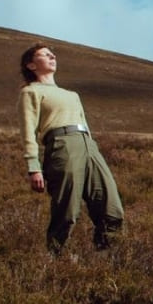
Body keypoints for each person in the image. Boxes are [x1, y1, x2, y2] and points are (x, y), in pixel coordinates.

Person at [17, 43, 125, 254]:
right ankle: (56, 261)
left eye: (52, 54)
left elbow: (85, 125)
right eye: (44, 55)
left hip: (88, 146)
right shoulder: (30, 92)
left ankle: (105, 260)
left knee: (112, 210)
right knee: (67, 212)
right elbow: (28, 131)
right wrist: (33, 166)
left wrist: (92, 149)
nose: (52, 56)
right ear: (31, 65)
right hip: (62, 146)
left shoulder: (72, 94)